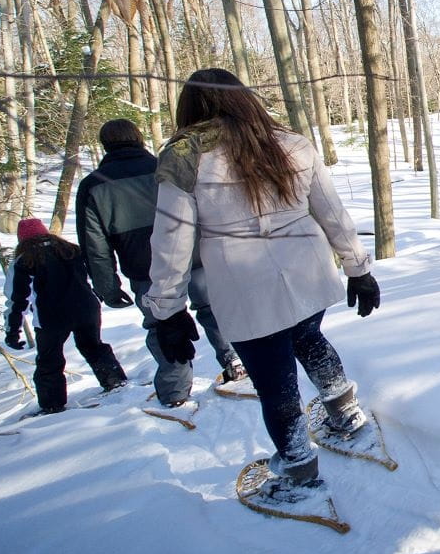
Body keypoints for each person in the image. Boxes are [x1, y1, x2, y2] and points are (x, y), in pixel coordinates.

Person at [142, 69, 380, 492]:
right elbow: (332, 211)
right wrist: (357, 269)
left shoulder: (184, 155)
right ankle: (346, 415)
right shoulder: (289, 142)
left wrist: (167, 308)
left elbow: (172, 239)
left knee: (274, 381)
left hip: (245, 287)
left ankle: (298, 469)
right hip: (307, 274)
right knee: (309, 338)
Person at [76, 119, 245, 406]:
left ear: (105, 145)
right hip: (195, 257)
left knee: (163, 326)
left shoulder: (93, 186)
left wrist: (107, 286)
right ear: (139, 139)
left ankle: (175, 392)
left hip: (146, 270)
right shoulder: (167, 167)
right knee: (214, 310)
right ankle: (236, 361)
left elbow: (95, 246)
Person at [4, 218, 128, 414]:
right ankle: (115, 382)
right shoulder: (71, 250)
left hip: (52, 316)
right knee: (93, 346)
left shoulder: (24, 261)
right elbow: (93, 272)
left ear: (22, 240)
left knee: (49, 359)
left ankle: (52, 405)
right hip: (87, 308)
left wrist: (13, 330)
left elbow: (17, 298)